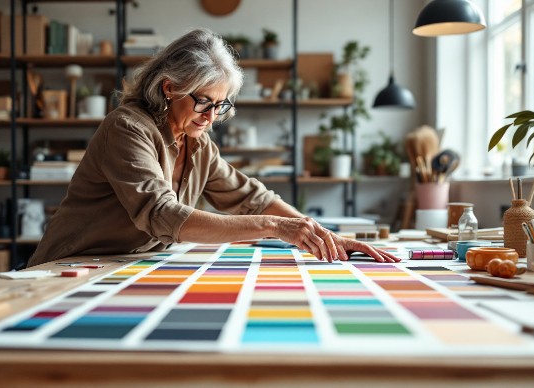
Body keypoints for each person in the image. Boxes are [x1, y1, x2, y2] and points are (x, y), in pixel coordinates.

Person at [27, 28, 399, 267]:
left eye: (221, 105)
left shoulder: (197, 141)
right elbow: (161, 214)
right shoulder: (126, 128)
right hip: (68, 267)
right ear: (169, 88)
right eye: (204, 101)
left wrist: (318, 233)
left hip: (121, 266)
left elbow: (250, 197)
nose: (210, 116)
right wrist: (275, 227)